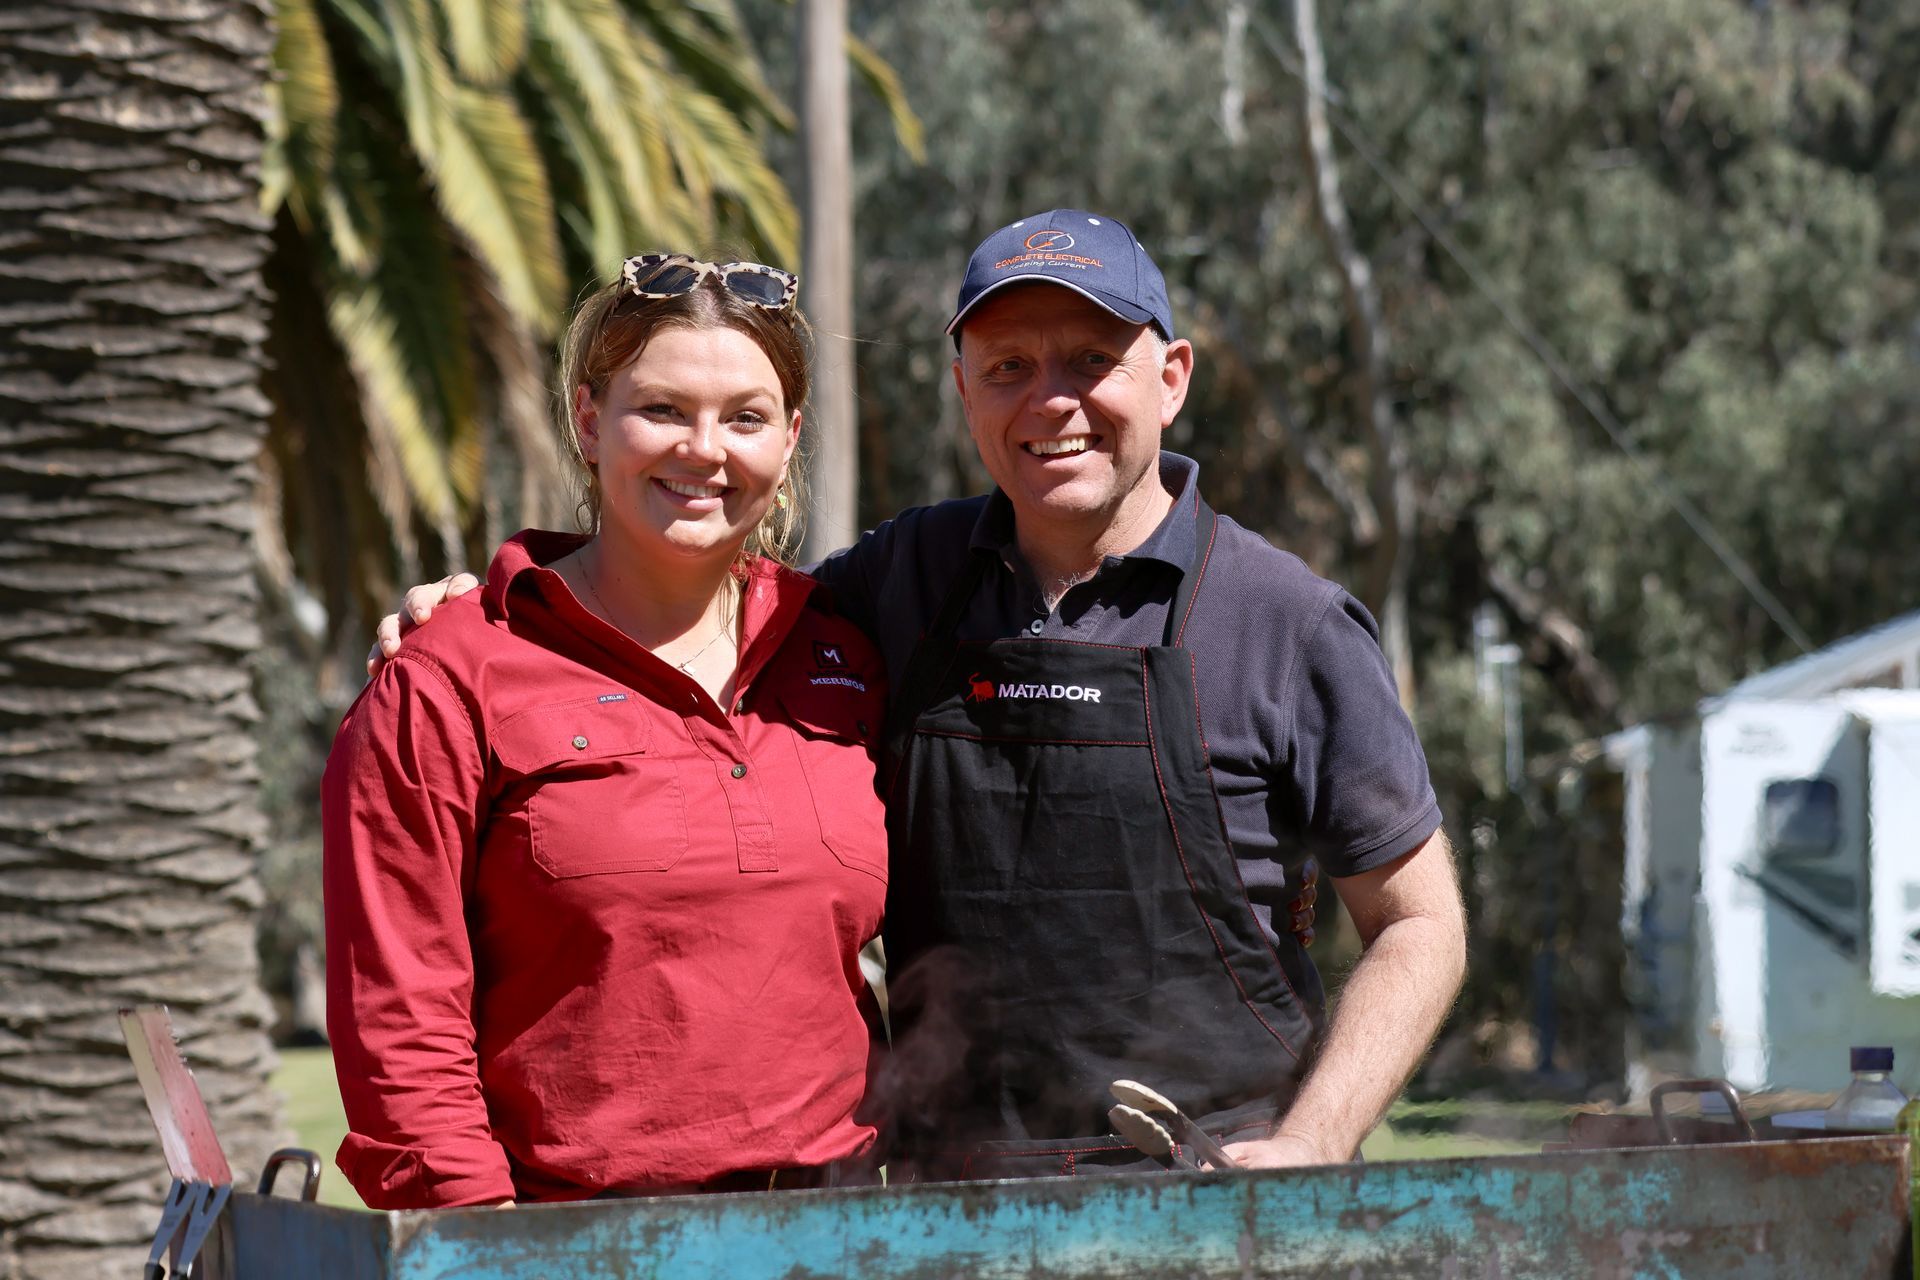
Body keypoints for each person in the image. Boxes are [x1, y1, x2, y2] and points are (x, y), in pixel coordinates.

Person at [374, 211, 1468, 1181]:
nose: (1052, 400)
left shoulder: (1288, 623)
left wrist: (1315, 1139)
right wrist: (496, 604)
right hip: (950, 1214)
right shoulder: (890, 587)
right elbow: (688, 594)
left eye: (1093, 360)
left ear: (1172, 376)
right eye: (1009, 366)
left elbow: (1420, 922)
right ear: (963, 390)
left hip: (1219, 1194)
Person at [324, 253, 889, 1209]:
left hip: (842, 1235)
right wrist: (483, 1253)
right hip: (573, 1244)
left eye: (745, 418)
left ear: (791, 438)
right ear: (590, 421)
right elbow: (401, 1023)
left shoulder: (848, 658)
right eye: (662, 410)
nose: (704, 450)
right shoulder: (448, 677)